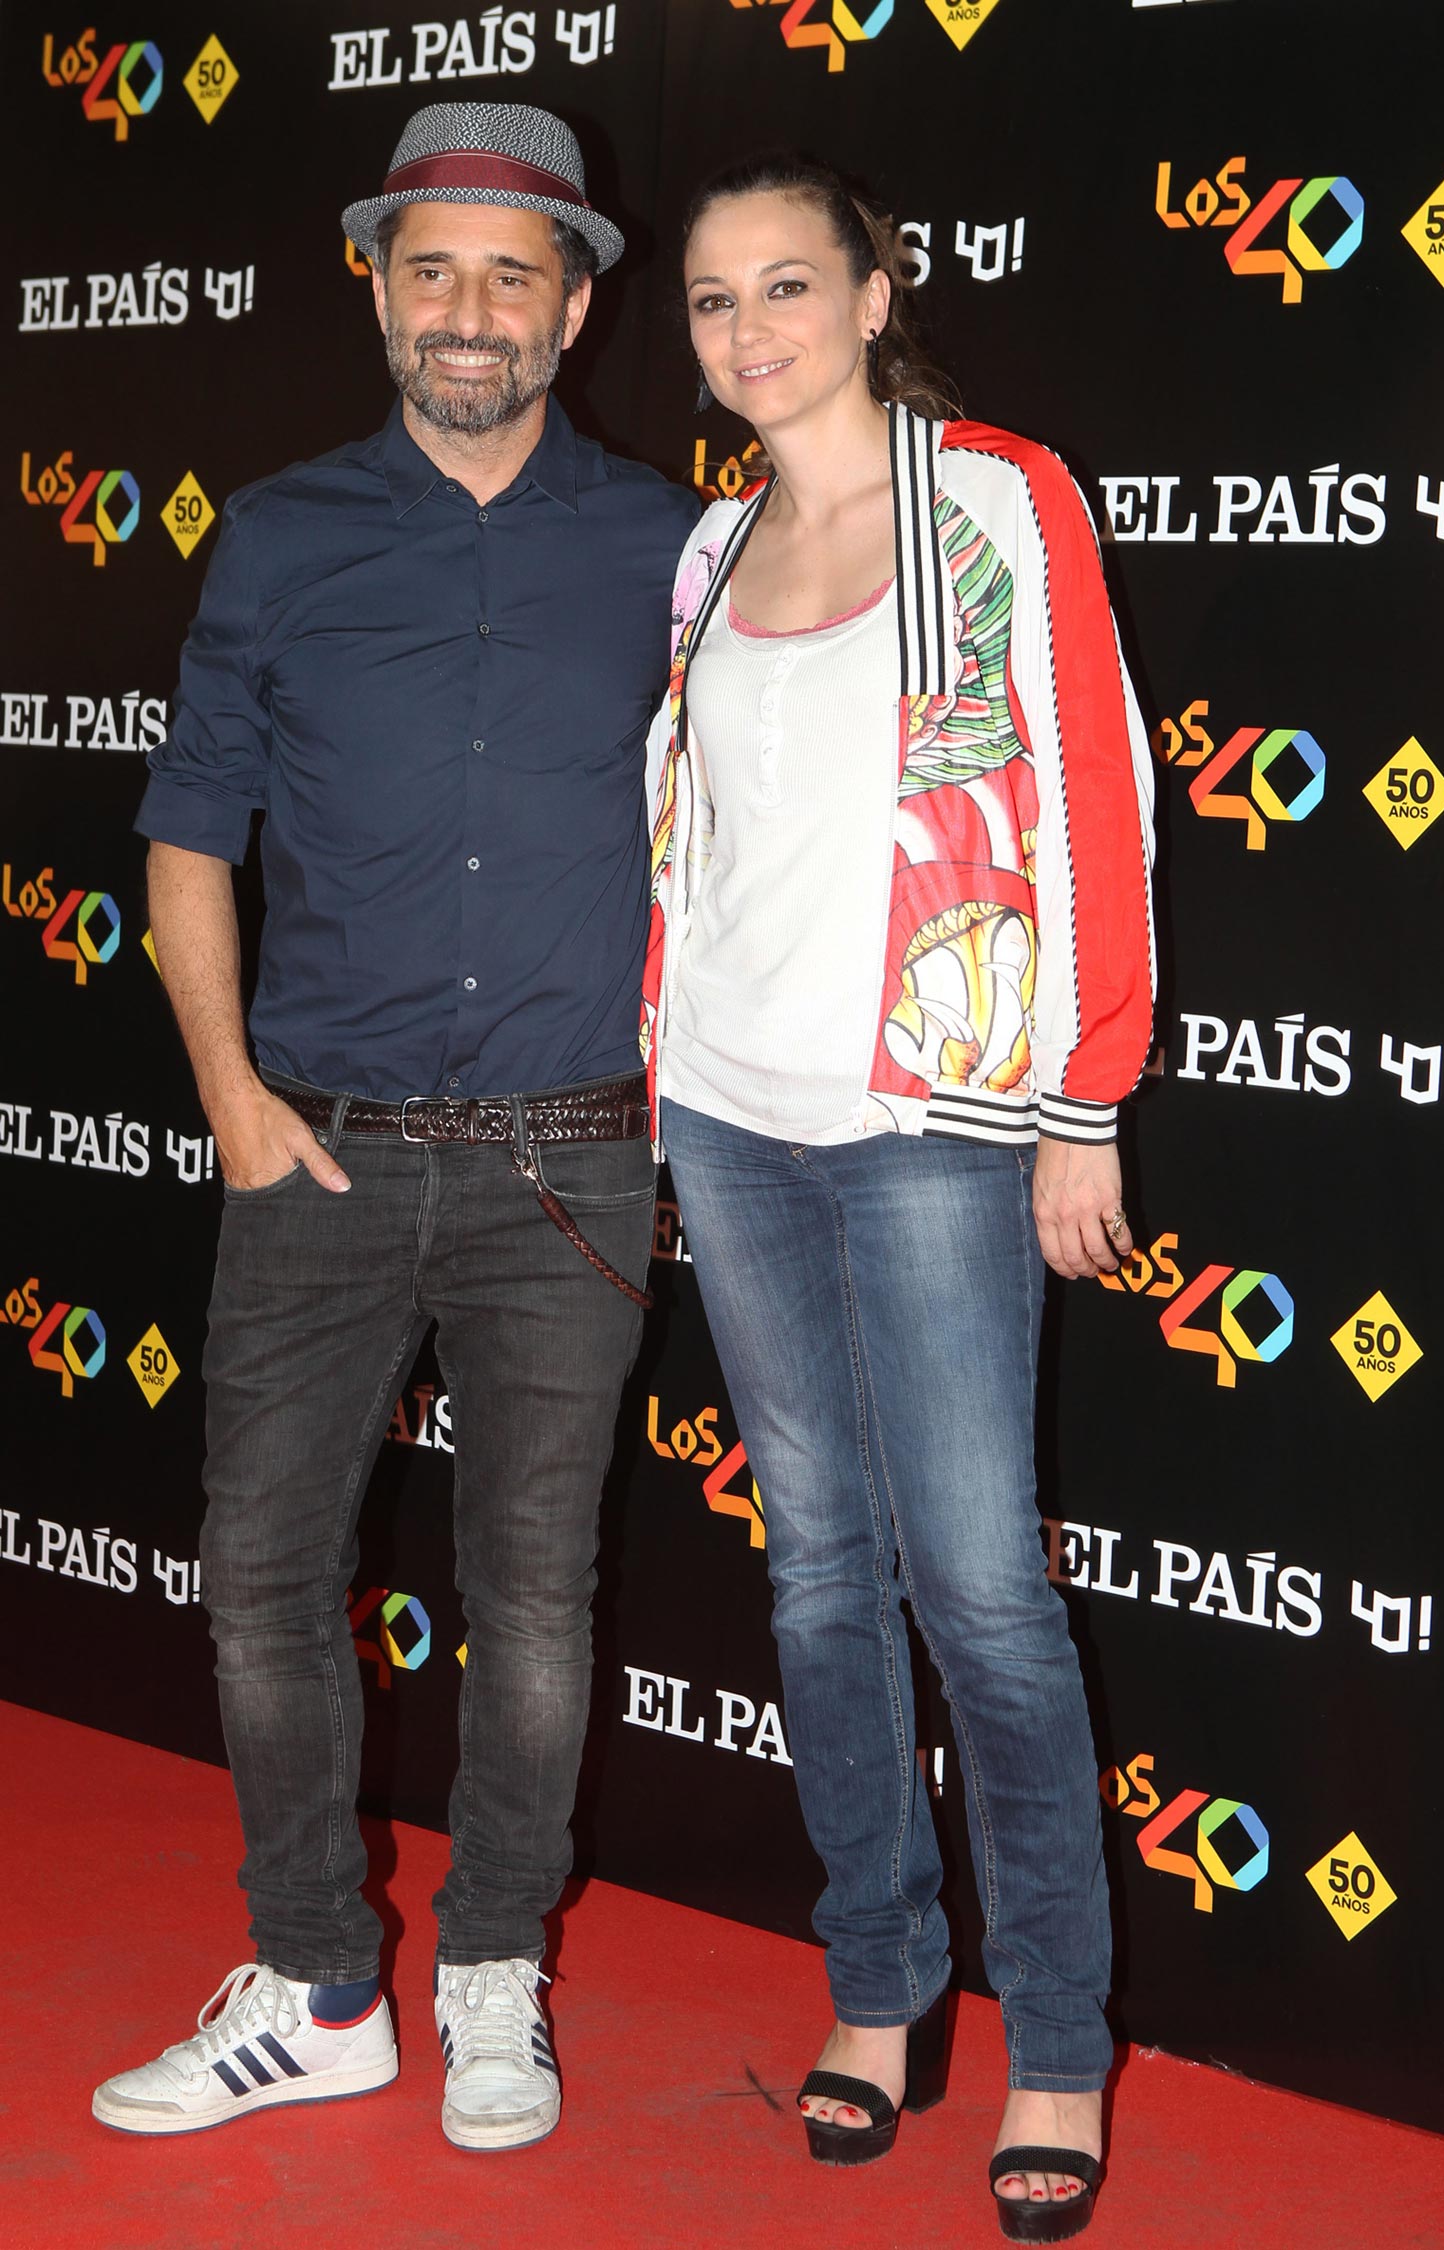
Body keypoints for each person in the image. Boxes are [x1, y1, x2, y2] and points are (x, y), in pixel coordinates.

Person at [92, 103, 700, 2151]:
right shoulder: (274, 530)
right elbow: (186, 837)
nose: (469, 310)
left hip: (569, 1166)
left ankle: (500, 1969)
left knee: (537, 1598)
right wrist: (231, 1102)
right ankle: (320, 1985)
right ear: (373, 282)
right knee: (261, 1575)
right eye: (431, 266)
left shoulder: (669, 546)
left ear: (578, 305)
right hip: (318, 1153)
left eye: (513, 274)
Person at [643, 157, 1155, 2242]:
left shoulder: (998, 503)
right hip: (732, 1117)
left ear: (874, 293)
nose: (747, 328)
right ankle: (877, 1988)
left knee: (984, 1597)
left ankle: (1055, 2038)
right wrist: (663, 1069)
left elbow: (1090, 782)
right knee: (819, 1580)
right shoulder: (712, 538)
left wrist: (1084, 1099)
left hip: (945, 1115)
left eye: (786, 284)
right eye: (706, 299)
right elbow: (696, 838)